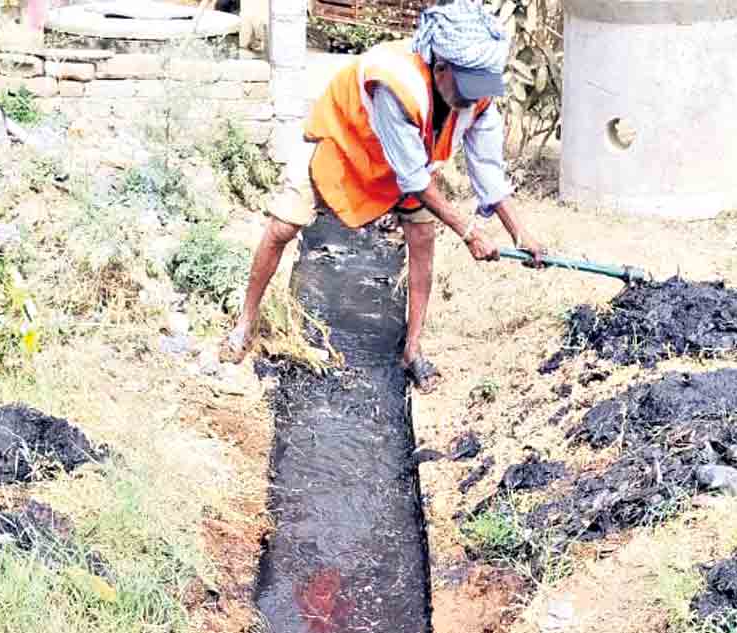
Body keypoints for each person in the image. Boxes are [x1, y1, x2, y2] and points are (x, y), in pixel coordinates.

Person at [219, 0, 545, 393]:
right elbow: (413, 179)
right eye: (466, 86)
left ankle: (412, 349)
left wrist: (519, 232)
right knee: (282, 225)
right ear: (441, 69)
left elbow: (488, 170)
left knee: (423, 239)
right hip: (343, 148)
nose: (472, 98)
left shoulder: (478, 97)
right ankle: (246, 323)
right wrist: (467, 230)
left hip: (408, 167)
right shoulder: (395, 82)